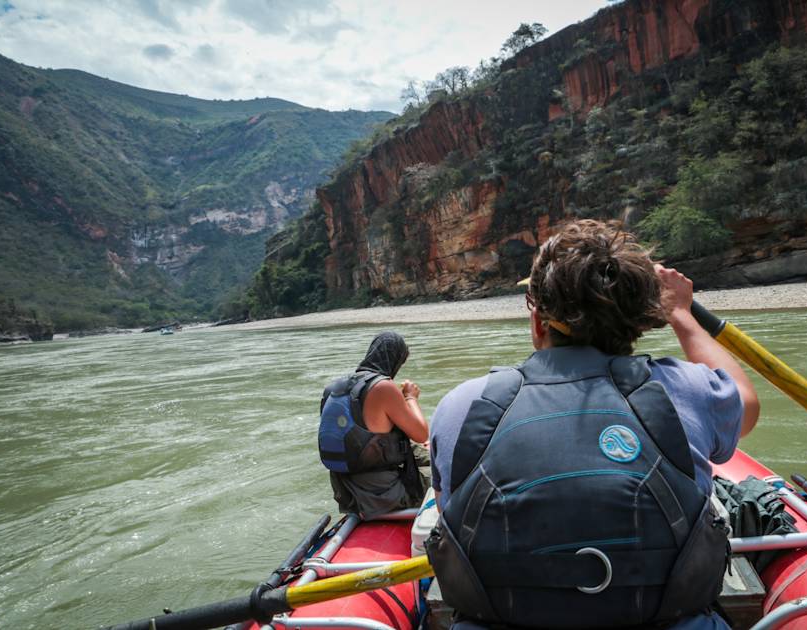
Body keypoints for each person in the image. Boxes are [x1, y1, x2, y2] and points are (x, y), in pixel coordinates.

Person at [426, 219, 760, 629]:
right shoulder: (687, 389)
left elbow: (452, 522)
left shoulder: (461, 405)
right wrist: (682, 314)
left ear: (538, 322)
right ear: (639, 323)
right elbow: (746, 404)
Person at [319, 331, 430, 519]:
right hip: (383, 497)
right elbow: (421, 434)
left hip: (347, 495)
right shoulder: (383, 387)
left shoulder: (333, 388)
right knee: (449, 472)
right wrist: (410, 397)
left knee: (424, 453)